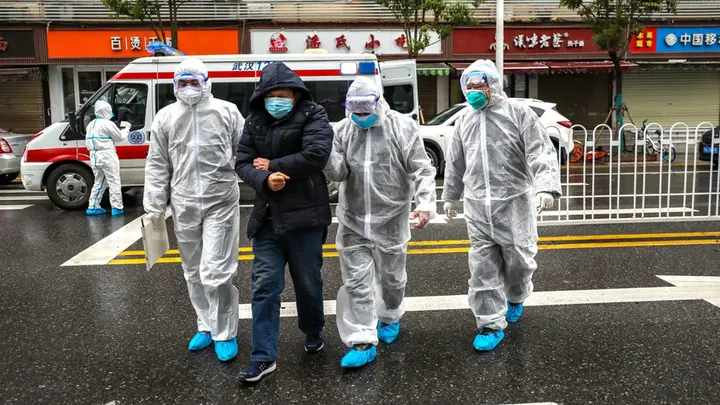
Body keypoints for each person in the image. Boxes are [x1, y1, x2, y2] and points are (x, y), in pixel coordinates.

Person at [442, 59, 561, 352]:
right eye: (468, 85)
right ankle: (489, 323)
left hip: (514, 205)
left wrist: (545, 186)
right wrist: (450, 196)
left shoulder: (518, 114)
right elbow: (456, 163)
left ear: (493, 84)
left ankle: (517, 294)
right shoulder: (464, 122)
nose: (473, 90)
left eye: (478, 84)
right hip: (478, 208)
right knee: (482, 268)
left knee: (520, 261)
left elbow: (540, 151)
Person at [325, 77, 437, 369]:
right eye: (355, 109)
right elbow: (337, 174)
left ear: (380, 101)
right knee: (357, 283)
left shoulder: (402, 127)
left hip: (392, 220)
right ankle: (362, 339)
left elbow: (421, 168)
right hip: (353, 220)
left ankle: (390, 314)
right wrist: (324, 155)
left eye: (366, 108)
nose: (361, 115)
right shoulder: (341, 130)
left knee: (392, 279)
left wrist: (425, 204)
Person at [235, 62, 333, 383]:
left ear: (295, 94)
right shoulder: (255, 121)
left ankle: (313, 328)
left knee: (307, 284)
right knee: (264, 287)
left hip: (306, 216)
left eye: (283, 95)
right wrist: (264, 178)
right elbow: (243, 162)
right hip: (268, 218)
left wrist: (275, 166)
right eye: (270, 95)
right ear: (262, 96)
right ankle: (263, 356)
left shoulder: (313, 114)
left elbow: (317, 153)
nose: (276, 100)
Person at [144, 58, 244, 362]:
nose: (189, 88)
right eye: (183, 82)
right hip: (184, 202)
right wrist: (154, 205)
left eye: (194, 82)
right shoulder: (166, 117)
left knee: (215, 270)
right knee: (192, 271)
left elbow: (246, 151)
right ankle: (205, 324)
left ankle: (225, 332)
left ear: (206, 82)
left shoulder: (226, 112)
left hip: (221, 201)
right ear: (175, 85)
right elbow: (158, 163)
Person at [85, 100, 128, 216]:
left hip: (94, 156)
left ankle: (93, 206)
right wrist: (126, 129)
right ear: (106, 111)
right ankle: (117, 207)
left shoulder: (91, 124)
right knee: (114, 182)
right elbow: (119, 137)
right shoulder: (107, 124)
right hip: (107, 155)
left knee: (99, 181)